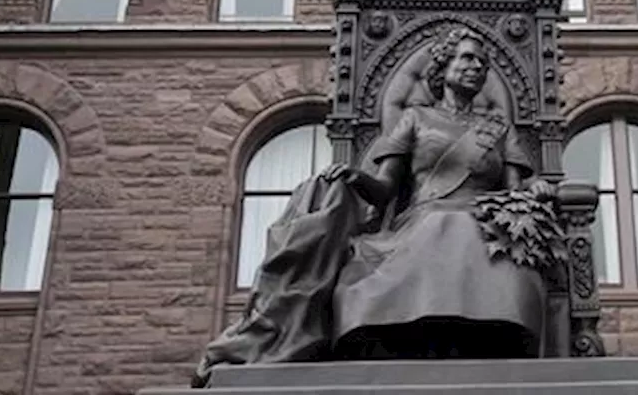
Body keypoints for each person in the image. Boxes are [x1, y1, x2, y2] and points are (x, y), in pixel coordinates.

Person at [192, 29, 550, 384]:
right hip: (422, 220)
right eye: (468, 58)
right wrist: (353, 177)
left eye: (483, 63)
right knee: (441, 226)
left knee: (467, 231)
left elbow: (514, 190)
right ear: (444, 66)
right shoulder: (415, 119)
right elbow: (384, 189)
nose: (478, 67)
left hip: (481, 219)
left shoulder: (497, 127)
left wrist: (539, 188)